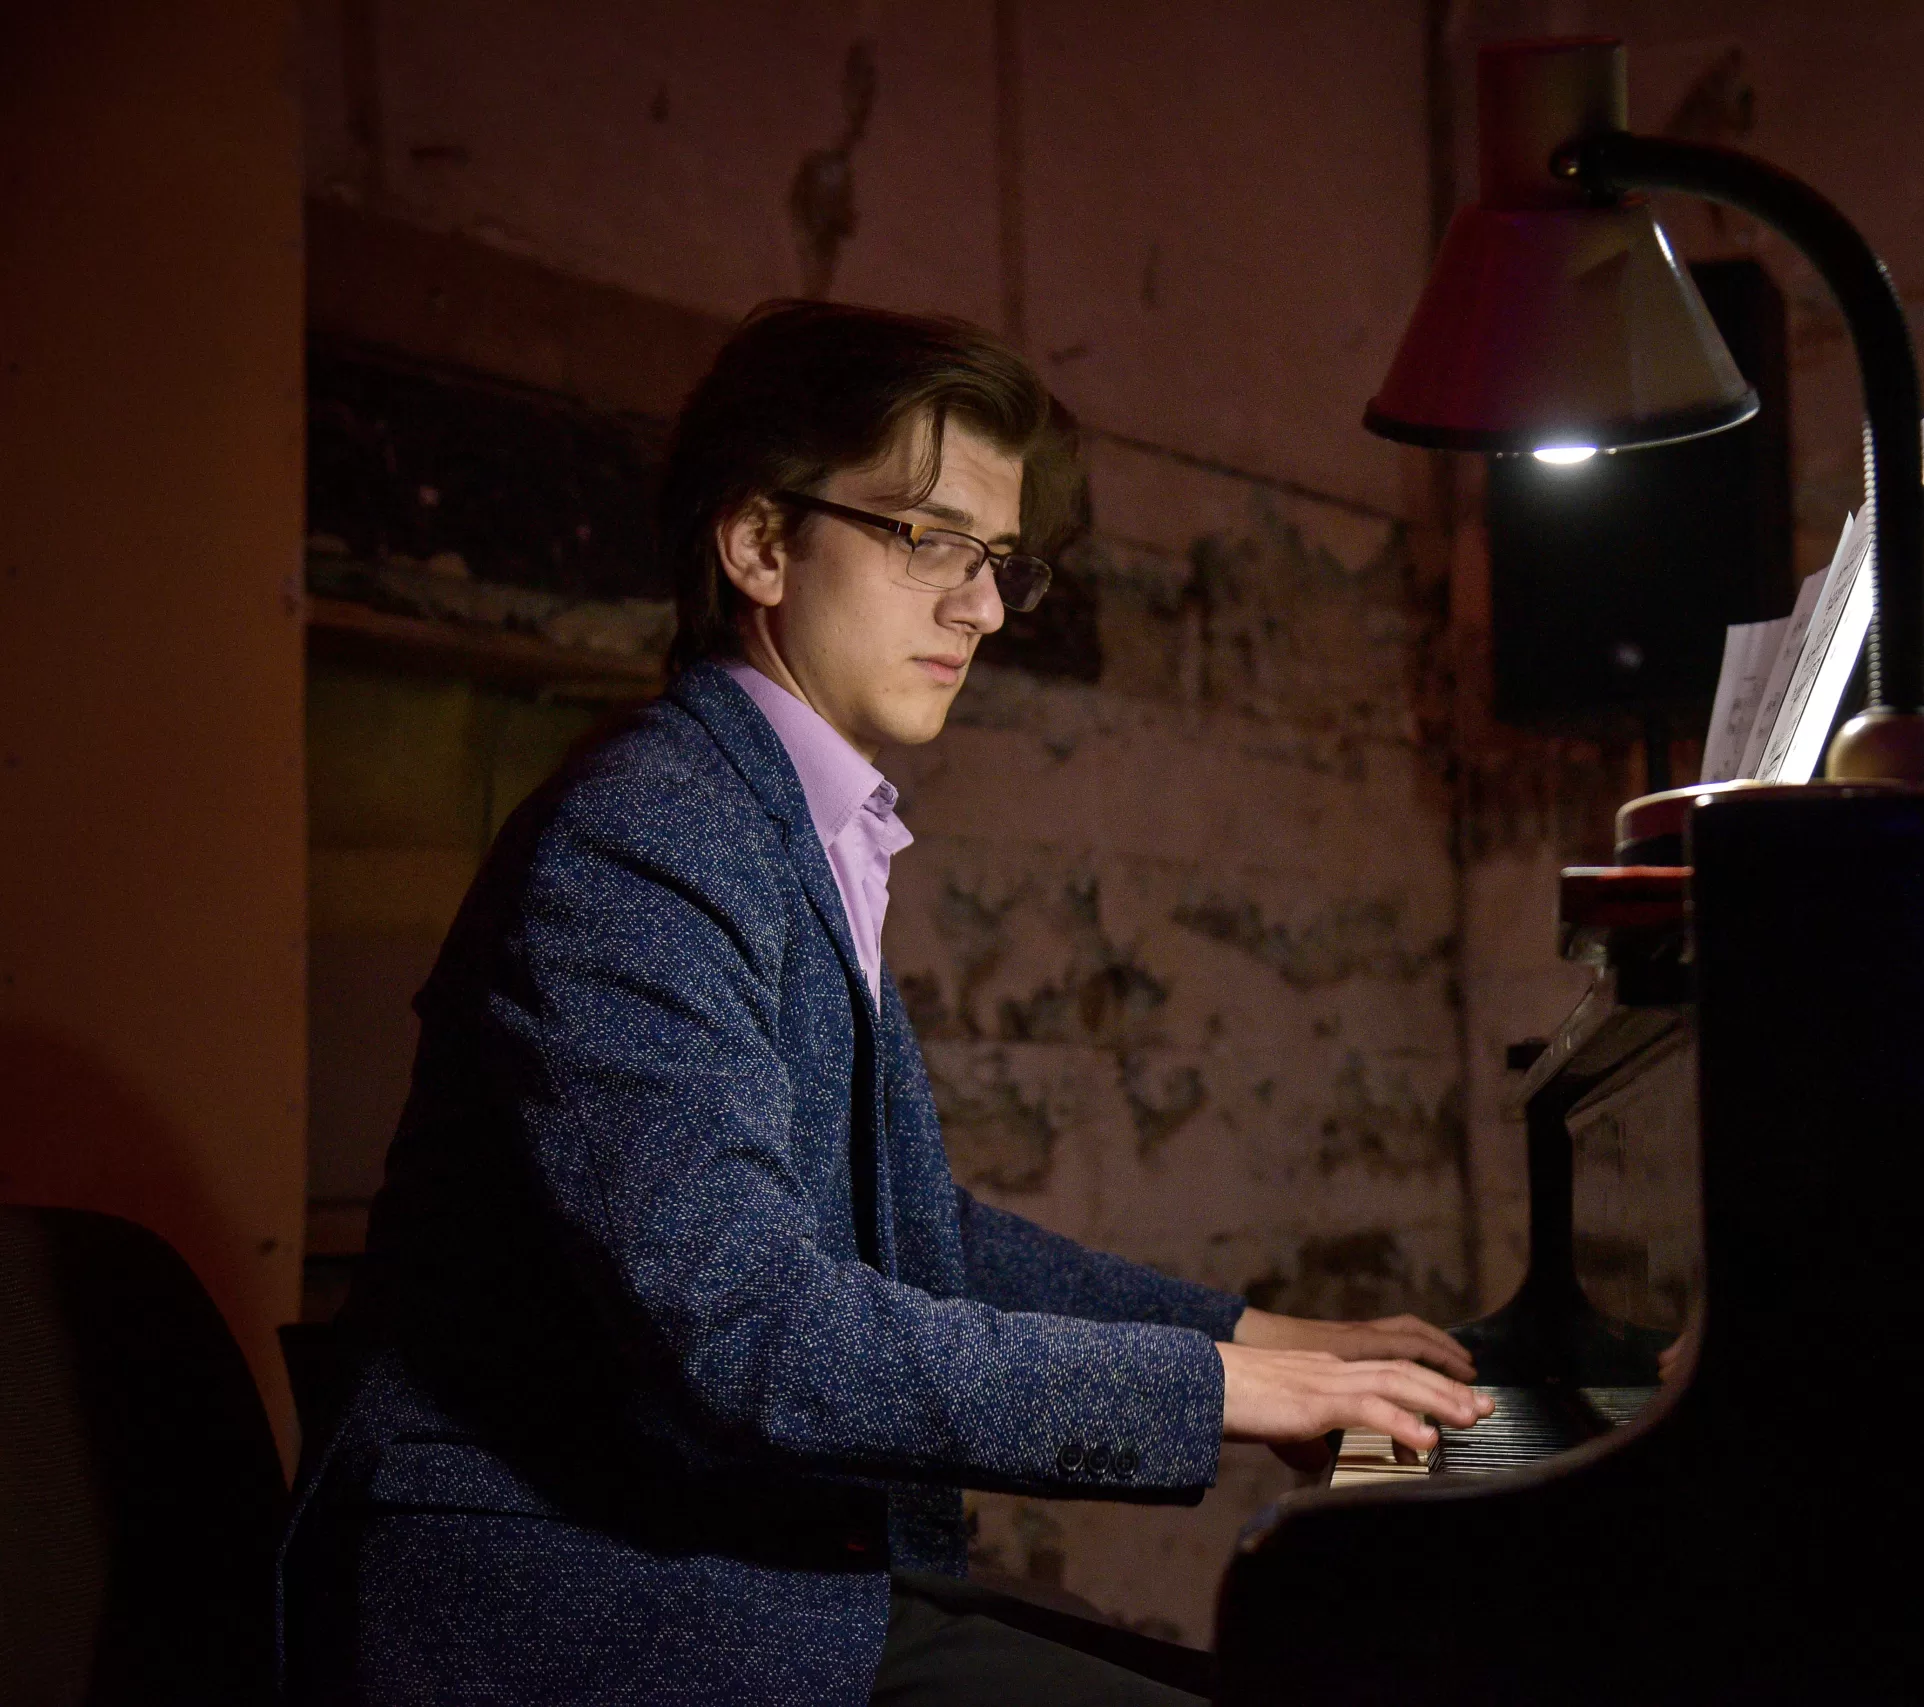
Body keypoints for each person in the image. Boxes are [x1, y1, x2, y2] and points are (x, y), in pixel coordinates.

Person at [278, 301, 1491, 1706]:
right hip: (585, 1615)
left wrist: (1269, 1338)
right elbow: (756, 1329)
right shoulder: (646, 837)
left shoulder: (779, 821)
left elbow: (918, 1236)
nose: (983, 607)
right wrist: (1231, 1392)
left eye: (997, 560)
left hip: (747, 1568)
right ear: (760, 544)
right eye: (931, 540)